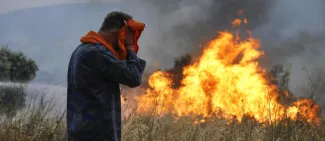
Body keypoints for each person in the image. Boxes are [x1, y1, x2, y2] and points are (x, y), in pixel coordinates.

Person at [67, 11, 146, 141]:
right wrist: (130, 47)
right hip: (96, 134)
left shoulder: (83, 49)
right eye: (125, 36)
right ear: (116, 33)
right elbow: (134, 77)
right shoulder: (98, 53)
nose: (125, 41)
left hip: (83, 132)